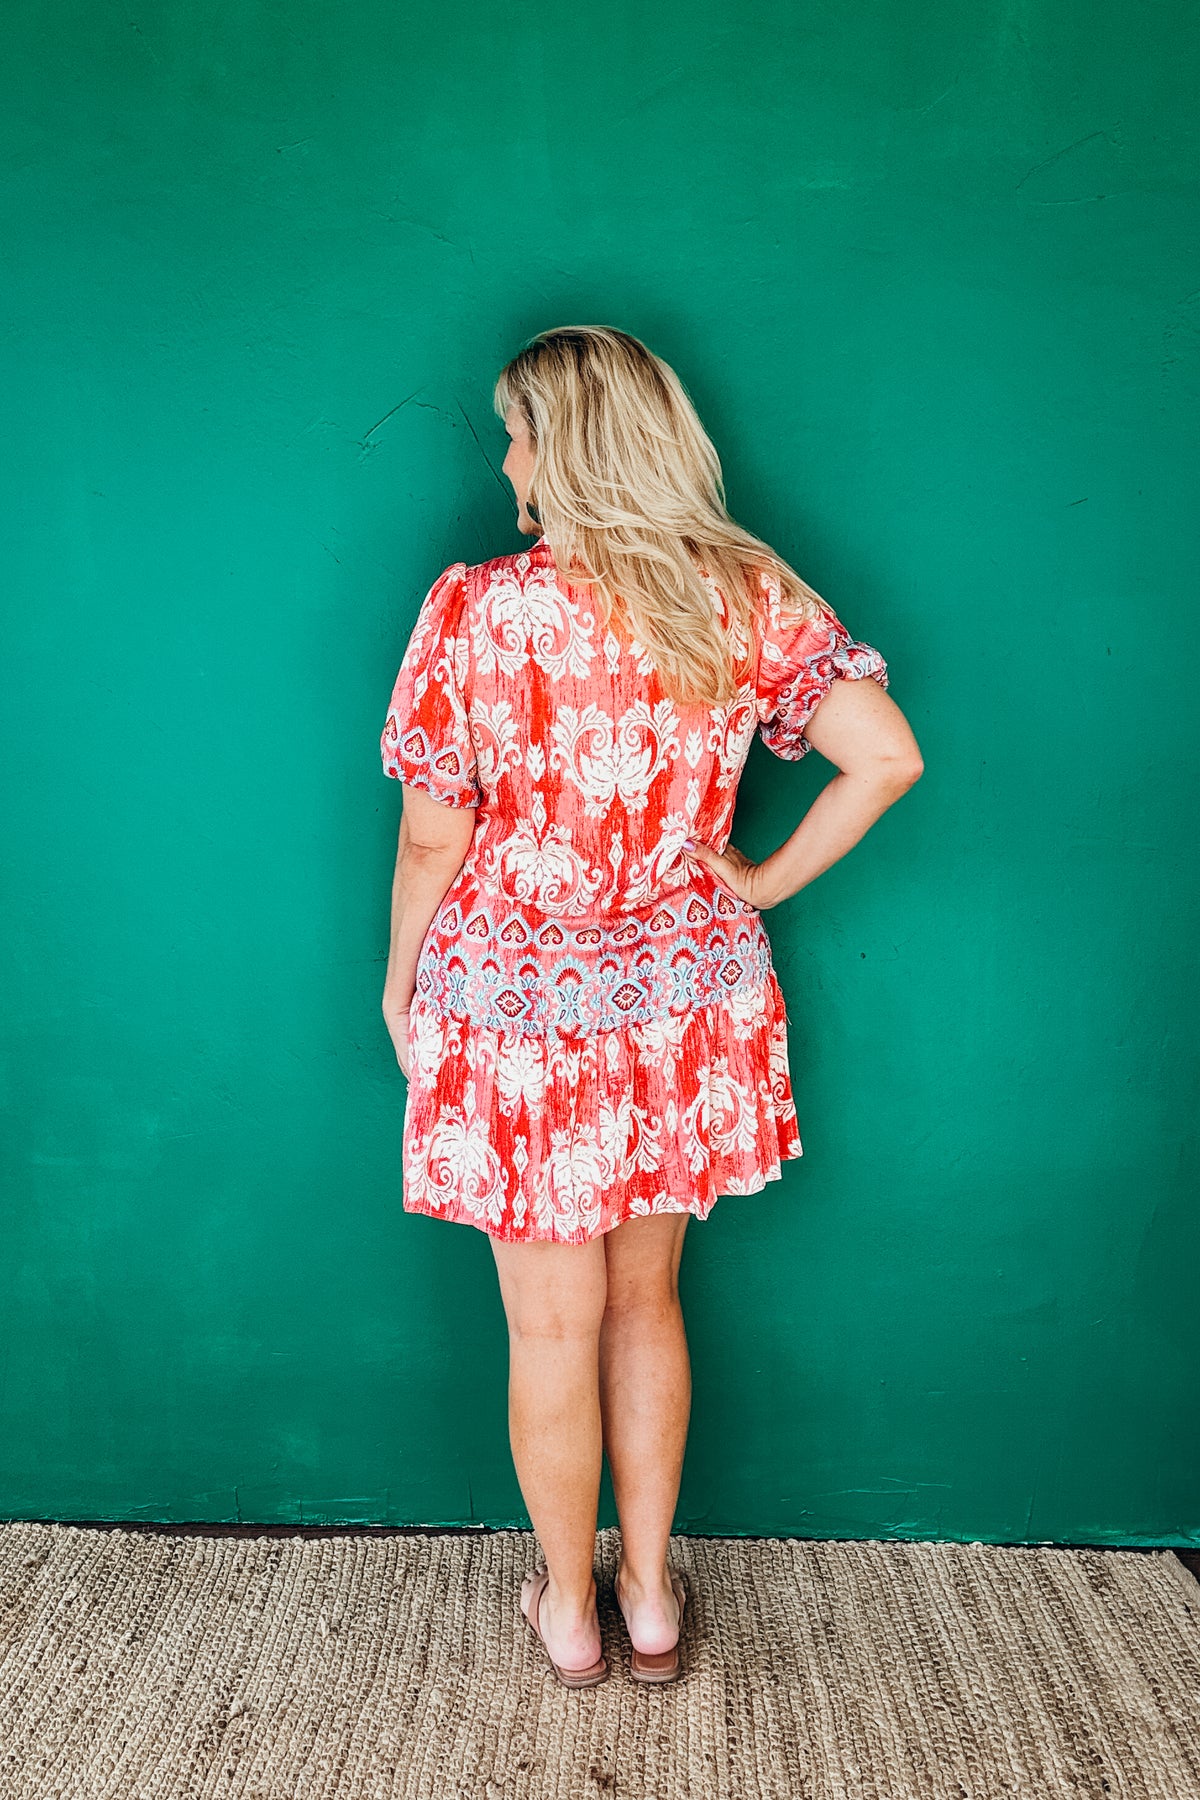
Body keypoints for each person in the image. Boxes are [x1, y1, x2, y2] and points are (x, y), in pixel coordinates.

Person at [380, 325, 923, 1688]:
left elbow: (434, 837)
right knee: (646, 1307)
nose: (506, 460)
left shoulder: (478, 611)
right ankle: (652, 1596)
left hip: (516, 1008)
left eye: (517, 433)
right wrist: (760, 880)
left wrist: (399, 983)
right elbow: (887, 756)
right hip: (682, 1000)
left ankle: (569, 1611)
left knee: (550, 1329)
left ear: (562, 448)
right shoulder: (744, 592)